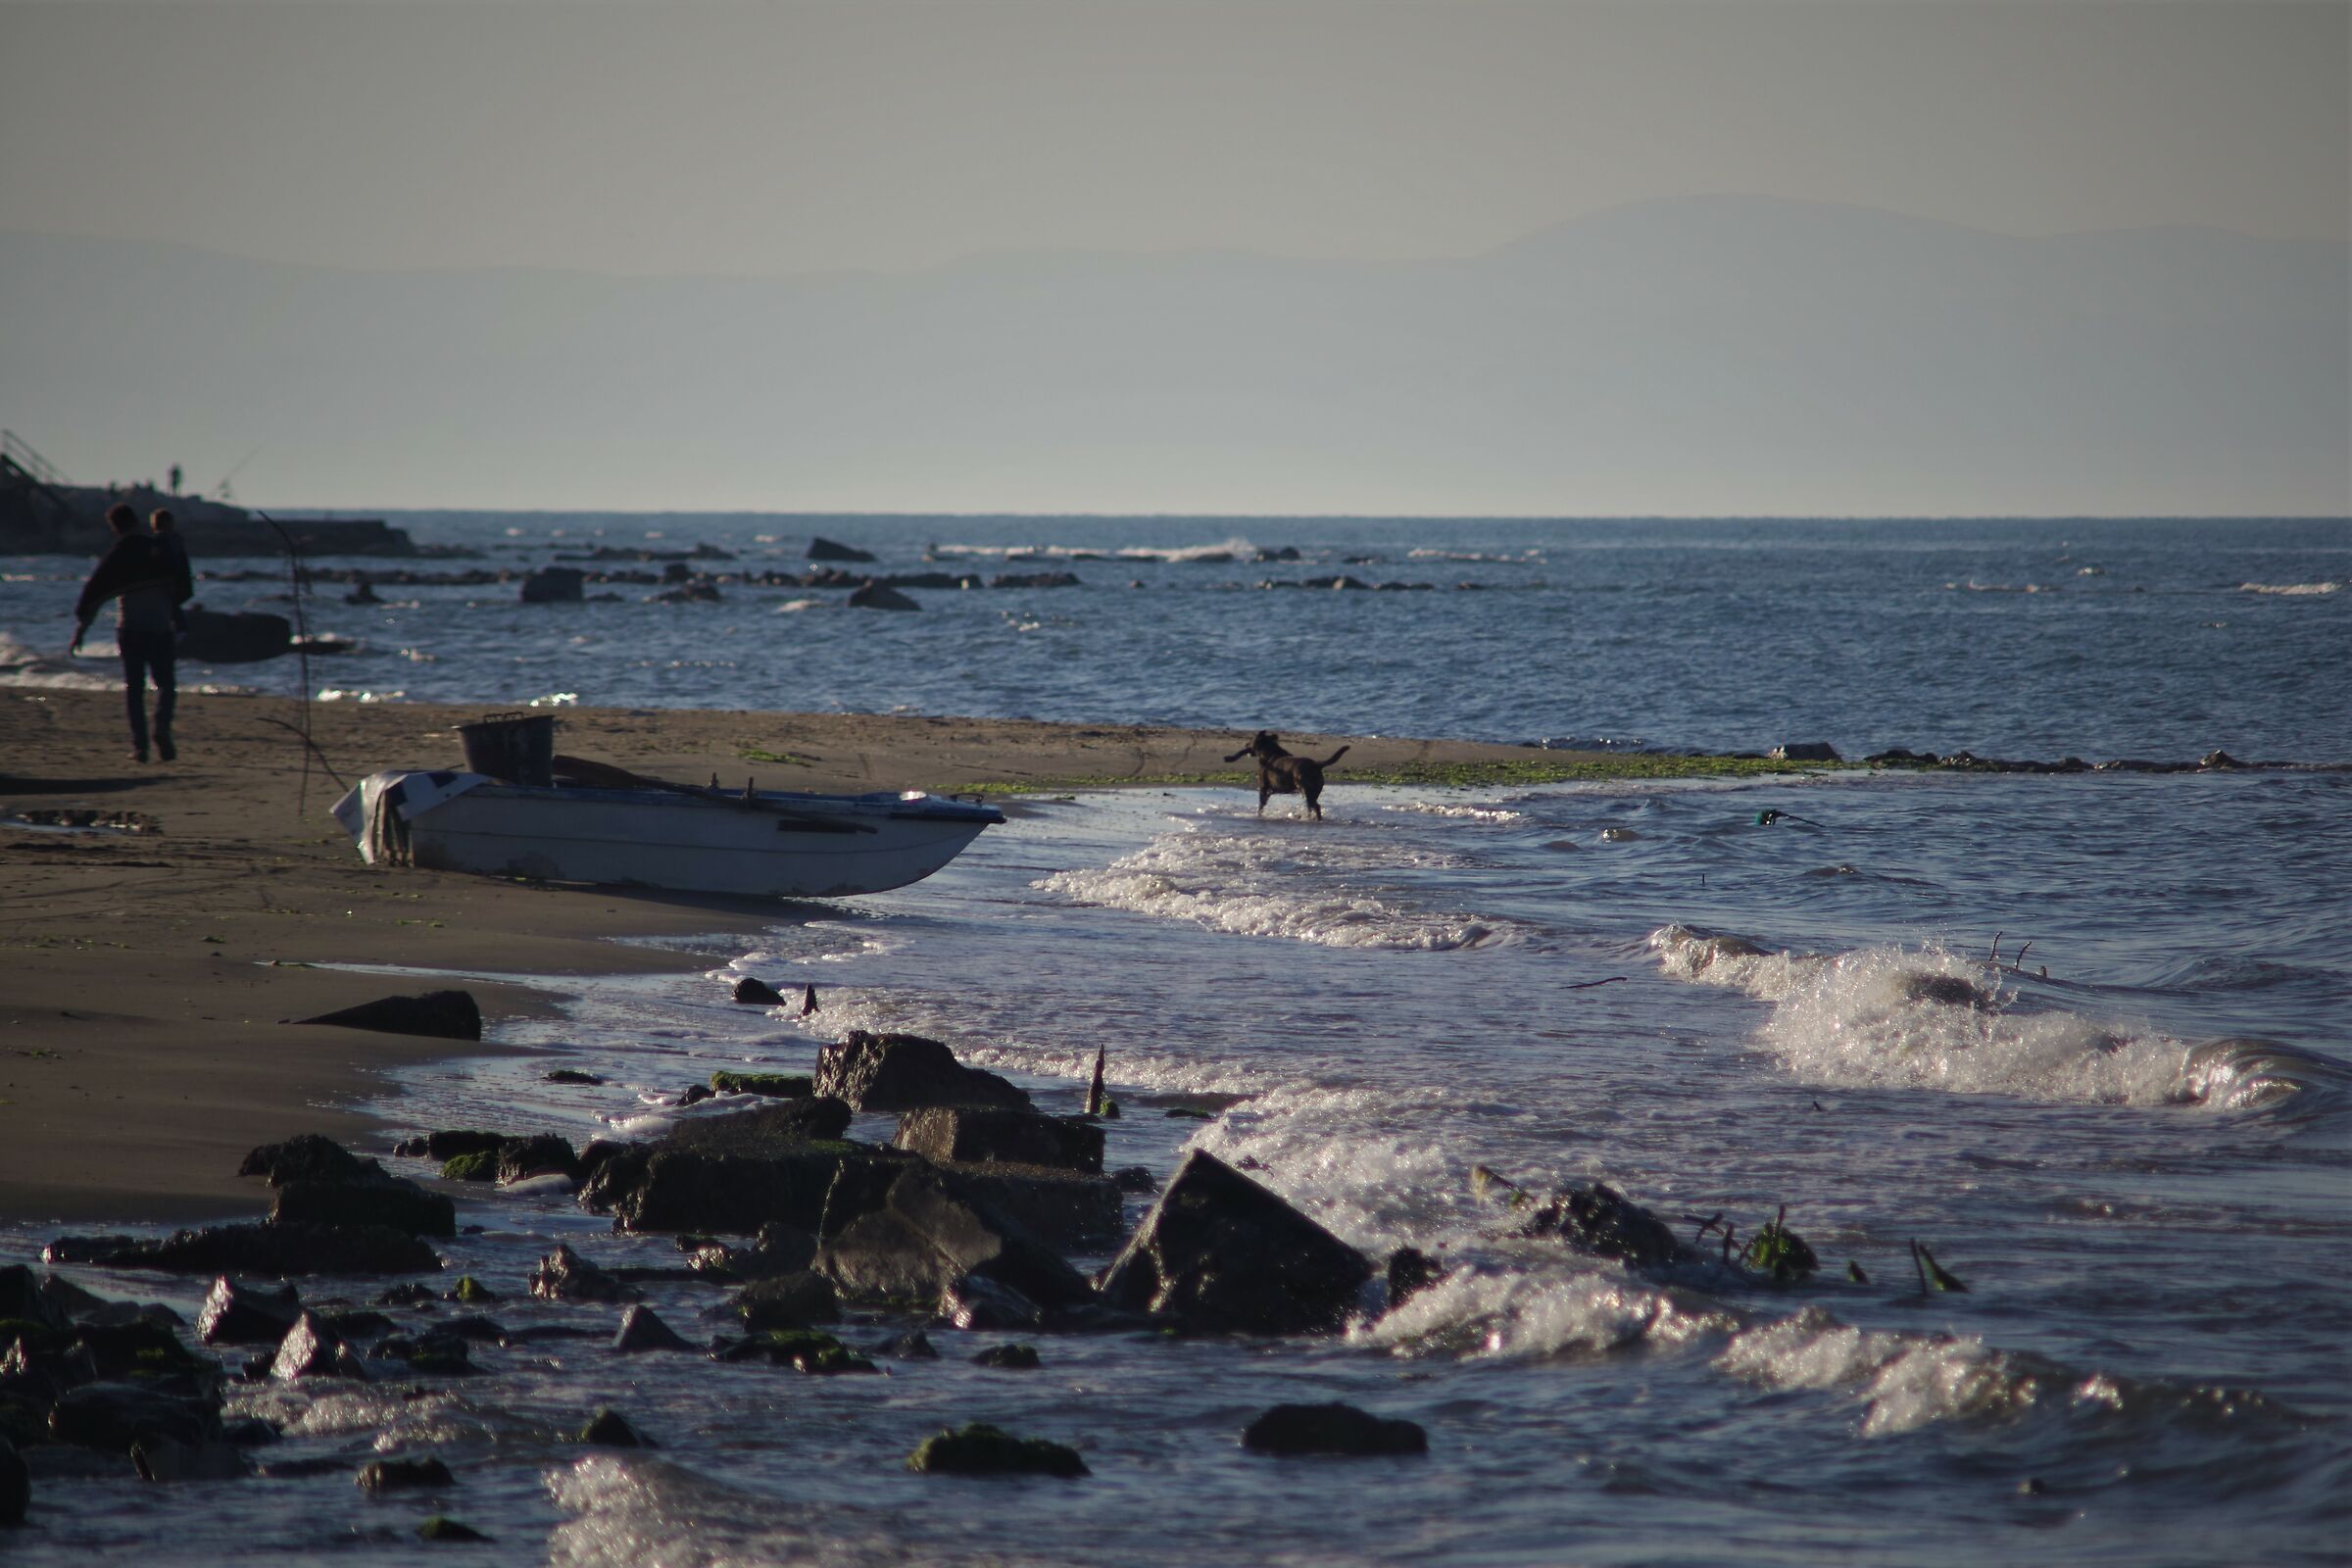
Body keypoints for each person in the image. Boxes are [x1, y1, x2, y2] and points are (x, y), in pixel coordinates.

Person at [72, 503, 180, 762]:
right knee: (167, 686)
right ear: (136, 521)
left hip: (130, 628)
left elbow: (94, 593)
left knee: (134, 690)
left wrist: (81, 630)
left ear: (115, 527)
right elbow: (180, 585)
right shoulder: (159, 550)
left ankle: (140, 747)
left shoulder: (118, 554)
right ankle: (162, 729)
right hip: (161, 627)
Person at [149, 508, 194, 633]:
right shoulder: (171, 539)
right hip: (176, 585)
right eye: (170, 522)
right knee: (174, 615)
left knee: (171, 613)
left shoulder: (163, 540)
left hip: (170, 585)